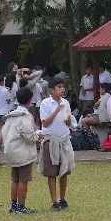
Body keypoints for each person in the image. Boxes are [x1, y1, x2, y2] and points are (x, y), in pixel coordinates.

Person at [0, 87, 42, 214]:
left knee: (15, 180)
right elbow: (29, 137)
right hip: (22, 153)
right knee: (23, 180)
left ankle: (13, 205)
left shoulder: (11, 115)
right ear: (30, 100)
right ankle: (21, 206)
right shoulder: (26, 116)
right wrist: (38, 135)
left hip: (11, 151)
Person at [38, 78, 76, 210]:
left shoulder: (65, 102)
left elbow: (68, 120)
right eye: (59, 87)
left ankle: (63, 198)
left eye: (63, 87)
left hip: (64, 138)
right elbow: (45, 123)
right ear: (52, 90)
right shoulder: (46, 103)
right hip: (51, 140)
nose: (62, 89)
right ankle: (54, 202)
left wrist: (69, 121)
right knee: (52, 172)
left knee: (65, 170)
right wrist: (56, 111)